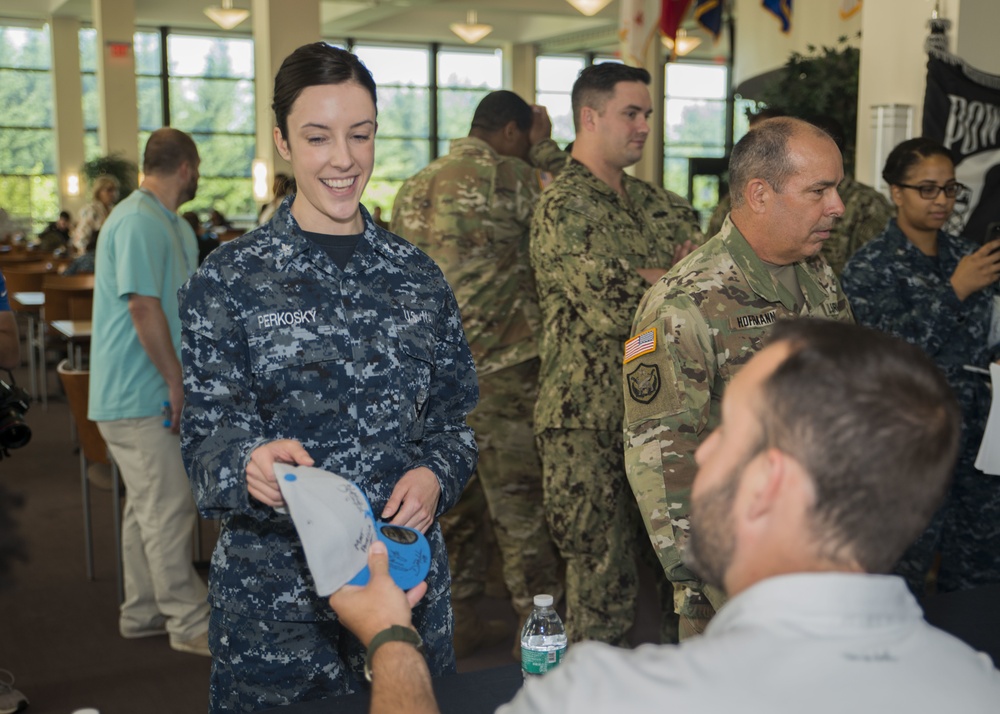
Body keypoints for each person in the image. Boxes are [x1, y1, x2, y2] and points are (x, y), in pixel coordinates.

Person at [329, 319, 1000, 714]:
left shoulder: (606, 696)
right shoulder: (974, 685)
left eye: (727, 432)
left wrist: (391, 639)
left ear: (767, 483)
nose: (703, 449)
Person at [179, 42, 478, 712]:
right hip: (279, 619)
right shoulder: (228, 280)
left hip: (406, 601)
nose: (343, 159)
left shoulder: (417, 278)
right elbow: (203, 445)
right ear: (283, 142)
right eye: (318, 137)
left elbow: (456, 426)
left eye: (360, 134)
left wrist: (436, 475)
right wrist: (248, 464)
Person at [623, 117, 853, 639]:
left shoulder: (816, 274)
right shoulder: (684, 303)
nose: (837, 206)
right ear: (759, 194)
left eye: (835, 188)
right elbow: (661, 457)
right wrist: (705, 580)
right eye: (819, 190)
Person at [530, 62, 702, 646]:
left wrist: (658, 279)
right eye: (631, 112)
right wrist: (669, 279)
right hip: (587, 423)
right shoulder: (563, 208)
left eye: (648, 114)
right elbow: (613, 304)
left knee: (683, 579)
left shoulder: (664, 205)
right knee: (600, 591)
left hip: (665, 418)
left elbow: (701, 291)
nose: (644, 125)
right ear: (589, 116)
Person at [391, 90, 566, 656]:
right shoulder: (514, 177)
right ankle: (533, 631)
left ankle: (458, 618)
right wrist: (546, 151)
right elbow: (574, 213)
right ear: (514, 132)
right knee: (520, 508)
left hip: (431, 382)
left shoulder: (414, 185)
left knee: (451, 505)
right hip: (505, 374)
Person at [841, 137, 1000, 594]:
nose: (942, 201)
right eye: (927, 189)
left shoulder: (967, 255)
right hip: (909, 447)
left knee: (978, 581)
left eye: (950, 189)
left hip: (978, 446)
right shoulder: (870, 266)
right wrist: (954, 292)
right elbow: (885, 356)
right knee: (896, 576)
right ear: (896, 191)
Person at [88, 128, 209, 657]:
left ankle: (142, 610)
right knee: (168, 508)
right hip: (139, 393)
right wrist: (176, 379)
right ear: (186, 166)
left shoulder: (171, 224)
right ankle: (187, 620)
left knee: (148, 507)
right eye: (199, 167)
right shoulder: (137, 220)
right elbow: (143, 307)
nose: (199, 176)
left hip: (151, 388)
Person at [72, 175, 119, 254]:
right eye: (109, 190)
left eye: (114, 190)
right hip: (93, 253)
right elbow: (81, 237)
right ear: (99, 192)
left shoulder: (114, 210)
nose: (112, 194)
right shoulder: (90, 210)